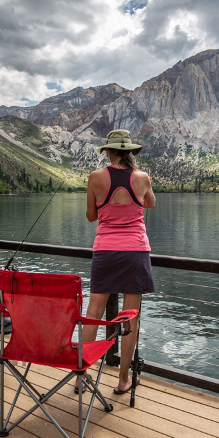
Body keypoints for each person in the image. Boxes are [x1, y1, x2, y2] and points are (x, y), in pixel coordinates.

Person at [80, 130, 155, 395]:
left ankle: (82, 375)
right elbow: (151, 204)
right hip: (136, 252)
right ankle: (123, 379)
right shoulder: (142, 178)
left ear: (108, 151)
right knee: (130, 318)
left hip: (105, 252)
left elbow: (91, 216)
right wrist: (144, 184)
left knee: (93, 314)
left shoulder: (96, 177)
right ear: (131, 152)